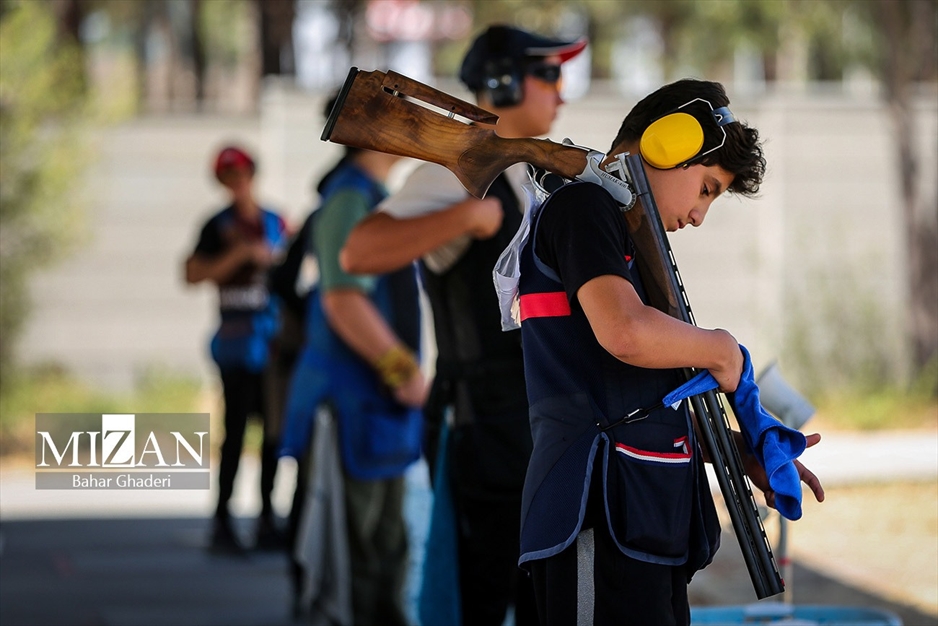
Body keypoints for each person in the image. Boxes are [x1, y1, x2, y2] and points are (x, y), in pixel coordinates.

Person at [514, 78, 826, 625]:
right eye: (706, 188)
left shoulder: (620, 233)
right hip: (594, 515)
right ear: (668, 144)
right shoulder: (584, 206)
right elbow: (625, 333)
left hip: (638, 520)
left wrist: (738, 451)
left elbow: (640, 402)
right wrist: (721, 350)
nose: (700, 215)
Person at [341, 24, 587, 626]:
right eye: (548, 75)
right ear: (502, 82)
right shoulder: (452, 174)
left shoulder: (535, 173)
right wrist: (465, 218)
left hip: (532, 421)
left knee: (541, 592)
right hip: (483, 424)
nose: (561, 92)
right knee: (480, 593)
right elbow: (360, 252)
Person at [277, 97, 428, 625]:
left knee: (383, 552)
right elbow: (343, 300)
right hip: (351, 406)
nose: (414, 125)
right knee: (353, 564)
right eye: (400, 115)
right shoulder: (349, 199)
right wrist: (404, 373)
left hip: (373, 410)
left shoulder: (369, 196)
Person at [184, 145, 289, 552]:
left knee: (273, 433)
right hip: (236, 344)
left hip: (273, 343)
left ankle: (266, 518)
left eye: (242, 175)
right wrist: (239, 255)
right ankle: (223, 521)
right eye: (229, 178)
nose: (238, 183)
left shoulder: (275, 221)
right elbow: (192, 272)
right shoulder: (217, 226)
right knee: (236, 432)